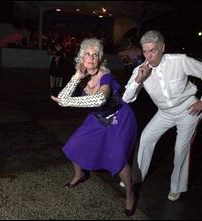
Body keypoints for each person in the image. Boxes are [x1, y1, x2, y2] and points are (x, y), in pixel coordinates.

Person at [122, 30, 202, 201]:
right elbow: (126, 98)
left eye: (153, 51)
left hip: (188, 111)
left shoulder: (179, 61)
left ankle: (177, 187)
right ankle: (136, 178)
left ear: (162, 48)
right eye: (145, 51)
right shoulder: (140, 70)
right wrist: (138, 80)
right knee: (145, 138)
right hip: (164, 113)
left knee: (180, 150)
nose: (149, 56)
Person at [51, 38, 138, 216]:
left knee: (118, 158)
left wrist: (68, 102)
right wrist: (76, 78)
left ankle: (130, 194)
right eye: (87, 54)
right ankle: (79, 174)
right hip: (97, 118)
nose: (91, 58)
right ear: (81, 58)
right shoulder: (81, 76)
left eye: (95, 55)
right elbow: (62, 97)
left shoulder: (105, 74)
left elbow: (99, 99)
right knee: (73, 145)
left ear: (100, 59)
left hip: (118, 118)